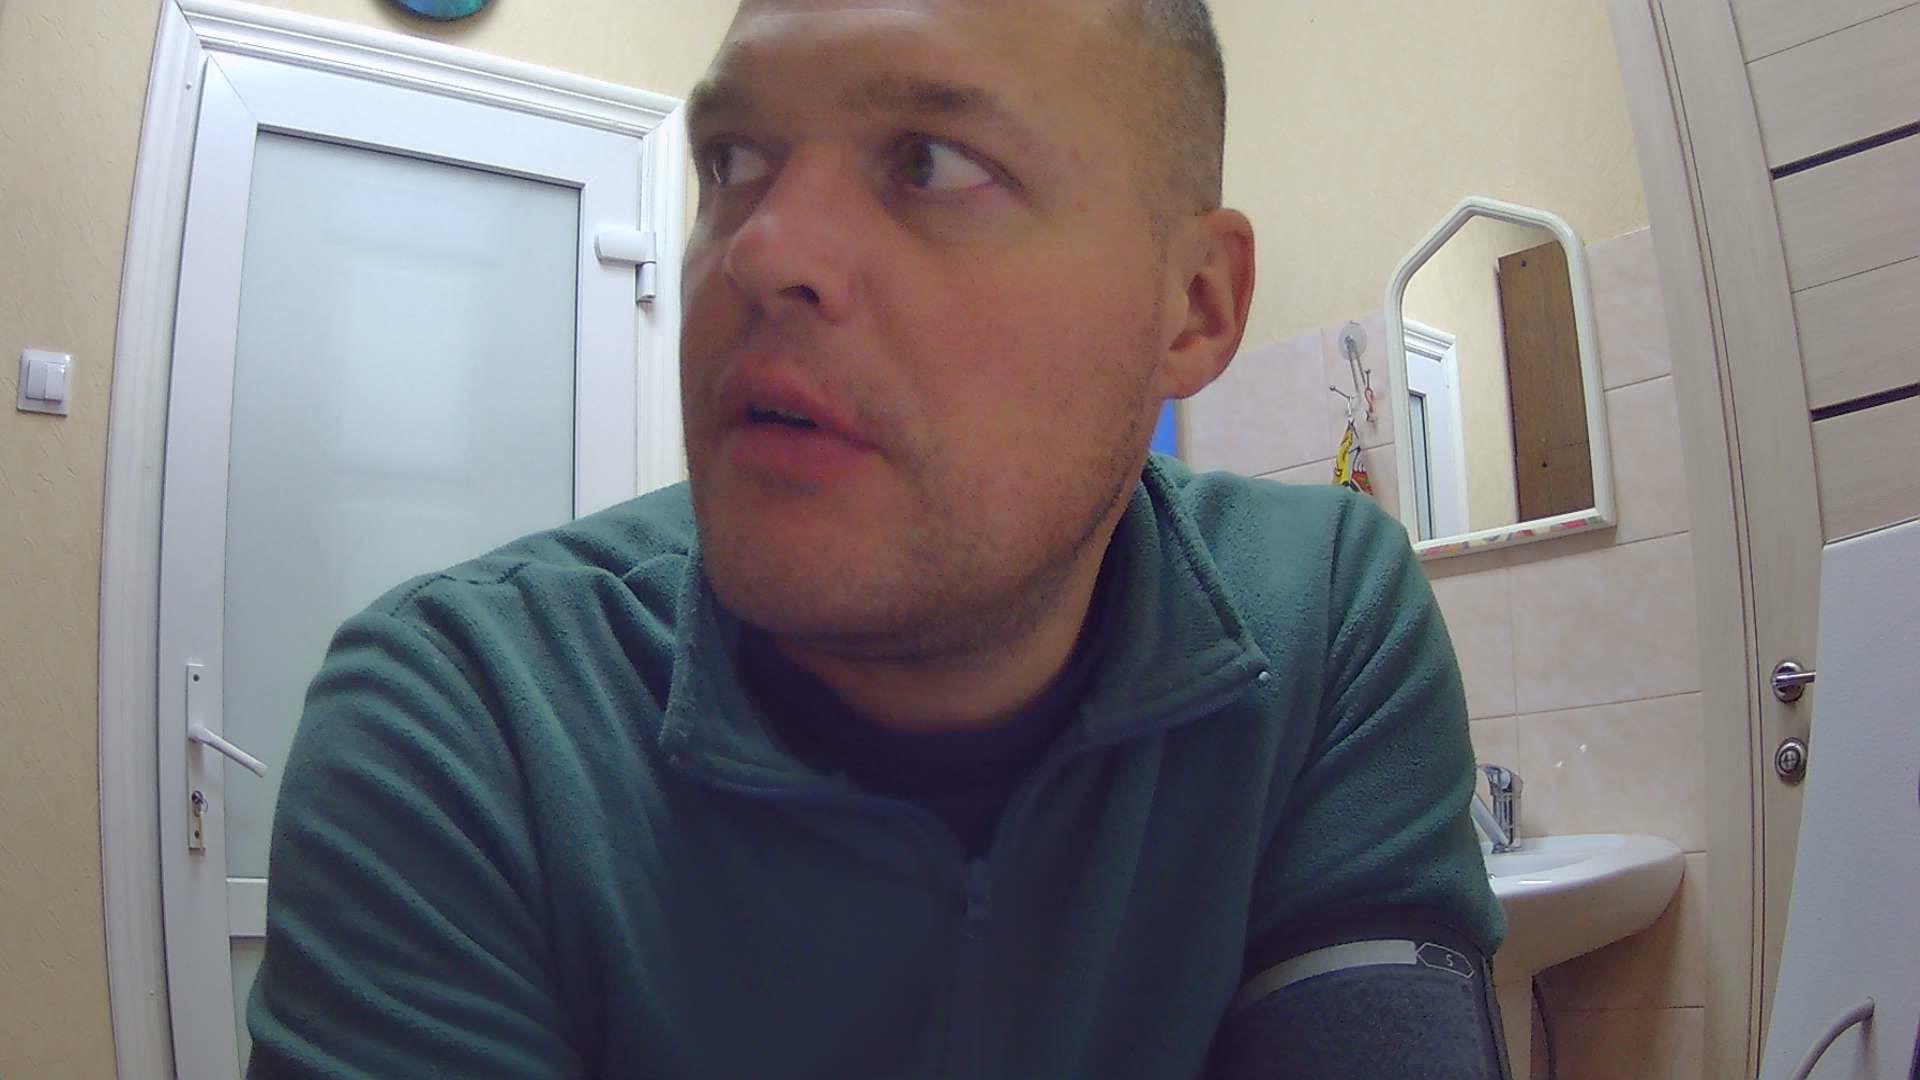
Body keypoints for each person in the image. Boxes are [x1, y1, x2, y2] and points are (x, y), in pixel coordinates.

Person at [245, 0, 1511, 1076]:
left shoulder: (1322, 612)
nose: (760, 251)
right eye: (733, 160)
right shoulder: (470, 720)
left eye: (930, 164)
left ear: (1193, 306)